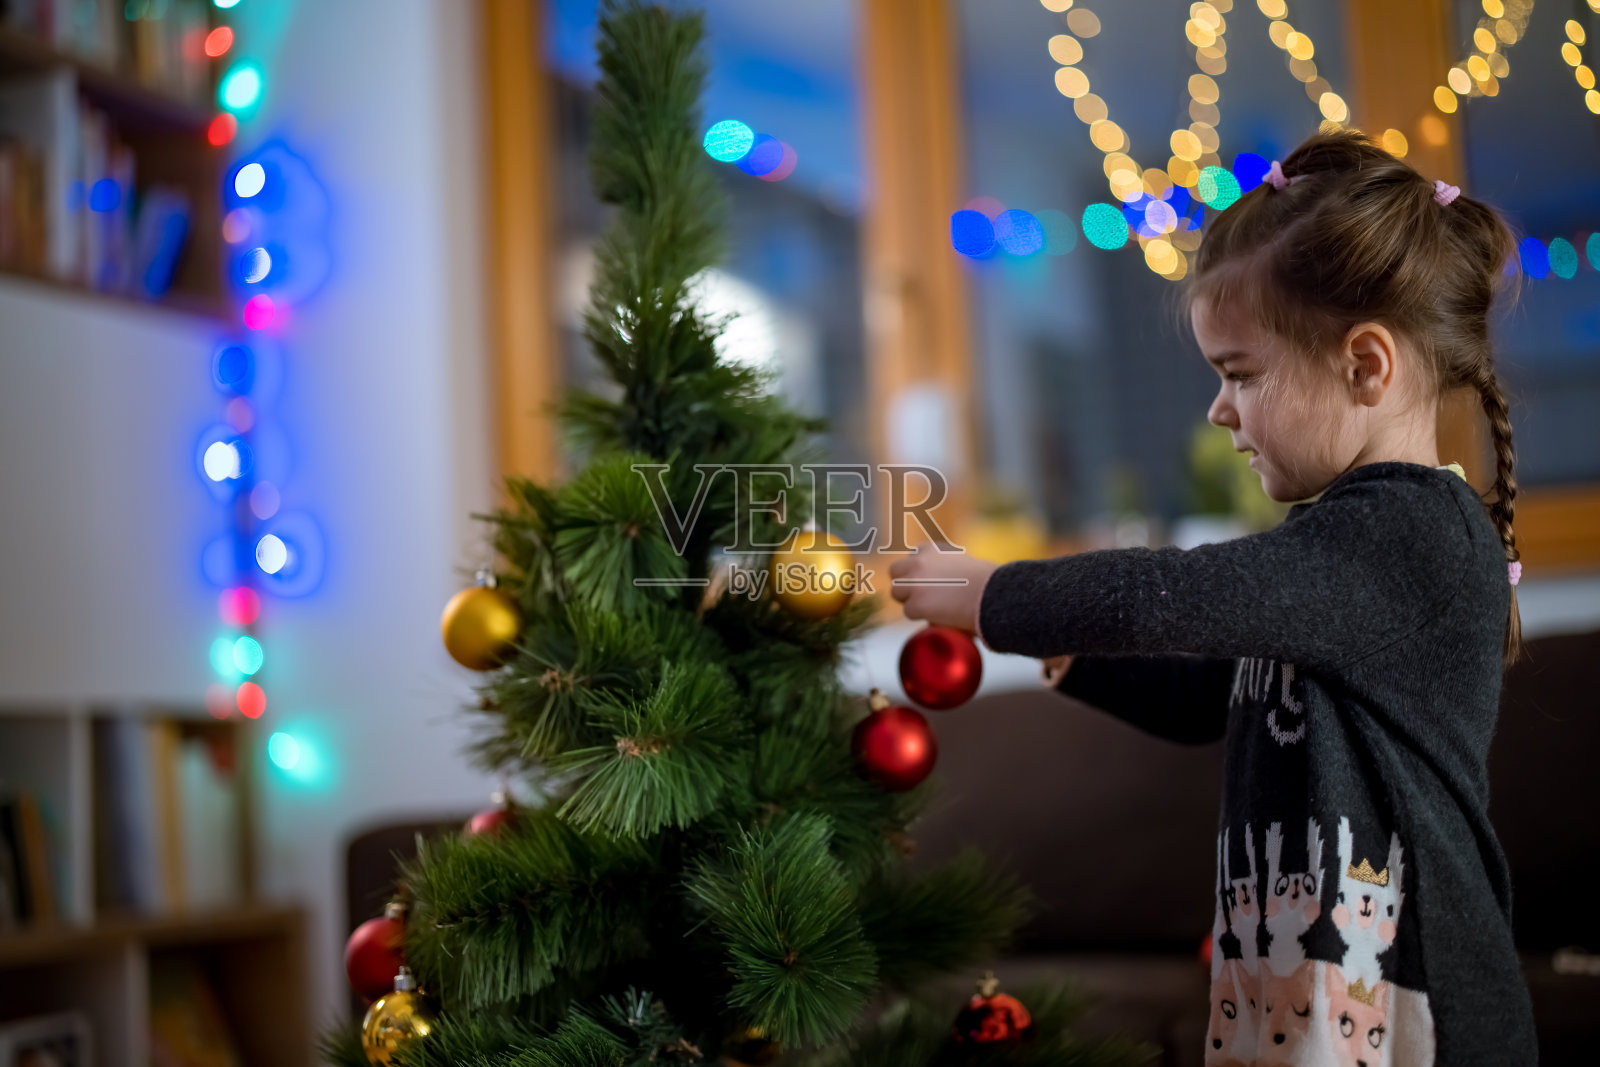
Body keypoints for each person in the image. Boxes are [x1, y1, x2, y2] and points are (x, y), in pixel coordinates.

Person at [889, 130, 1536, 1066]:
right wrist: (1063, 652)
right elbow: (1210, 696)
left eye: (1240, 374)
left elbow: (1170, 594)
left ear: (1366, 365)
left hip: (1411, 997)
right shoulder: (1335, 548)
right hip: (1306, 981)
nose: (1219, 410)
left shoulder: (1414, 532)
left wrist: (998, 593)